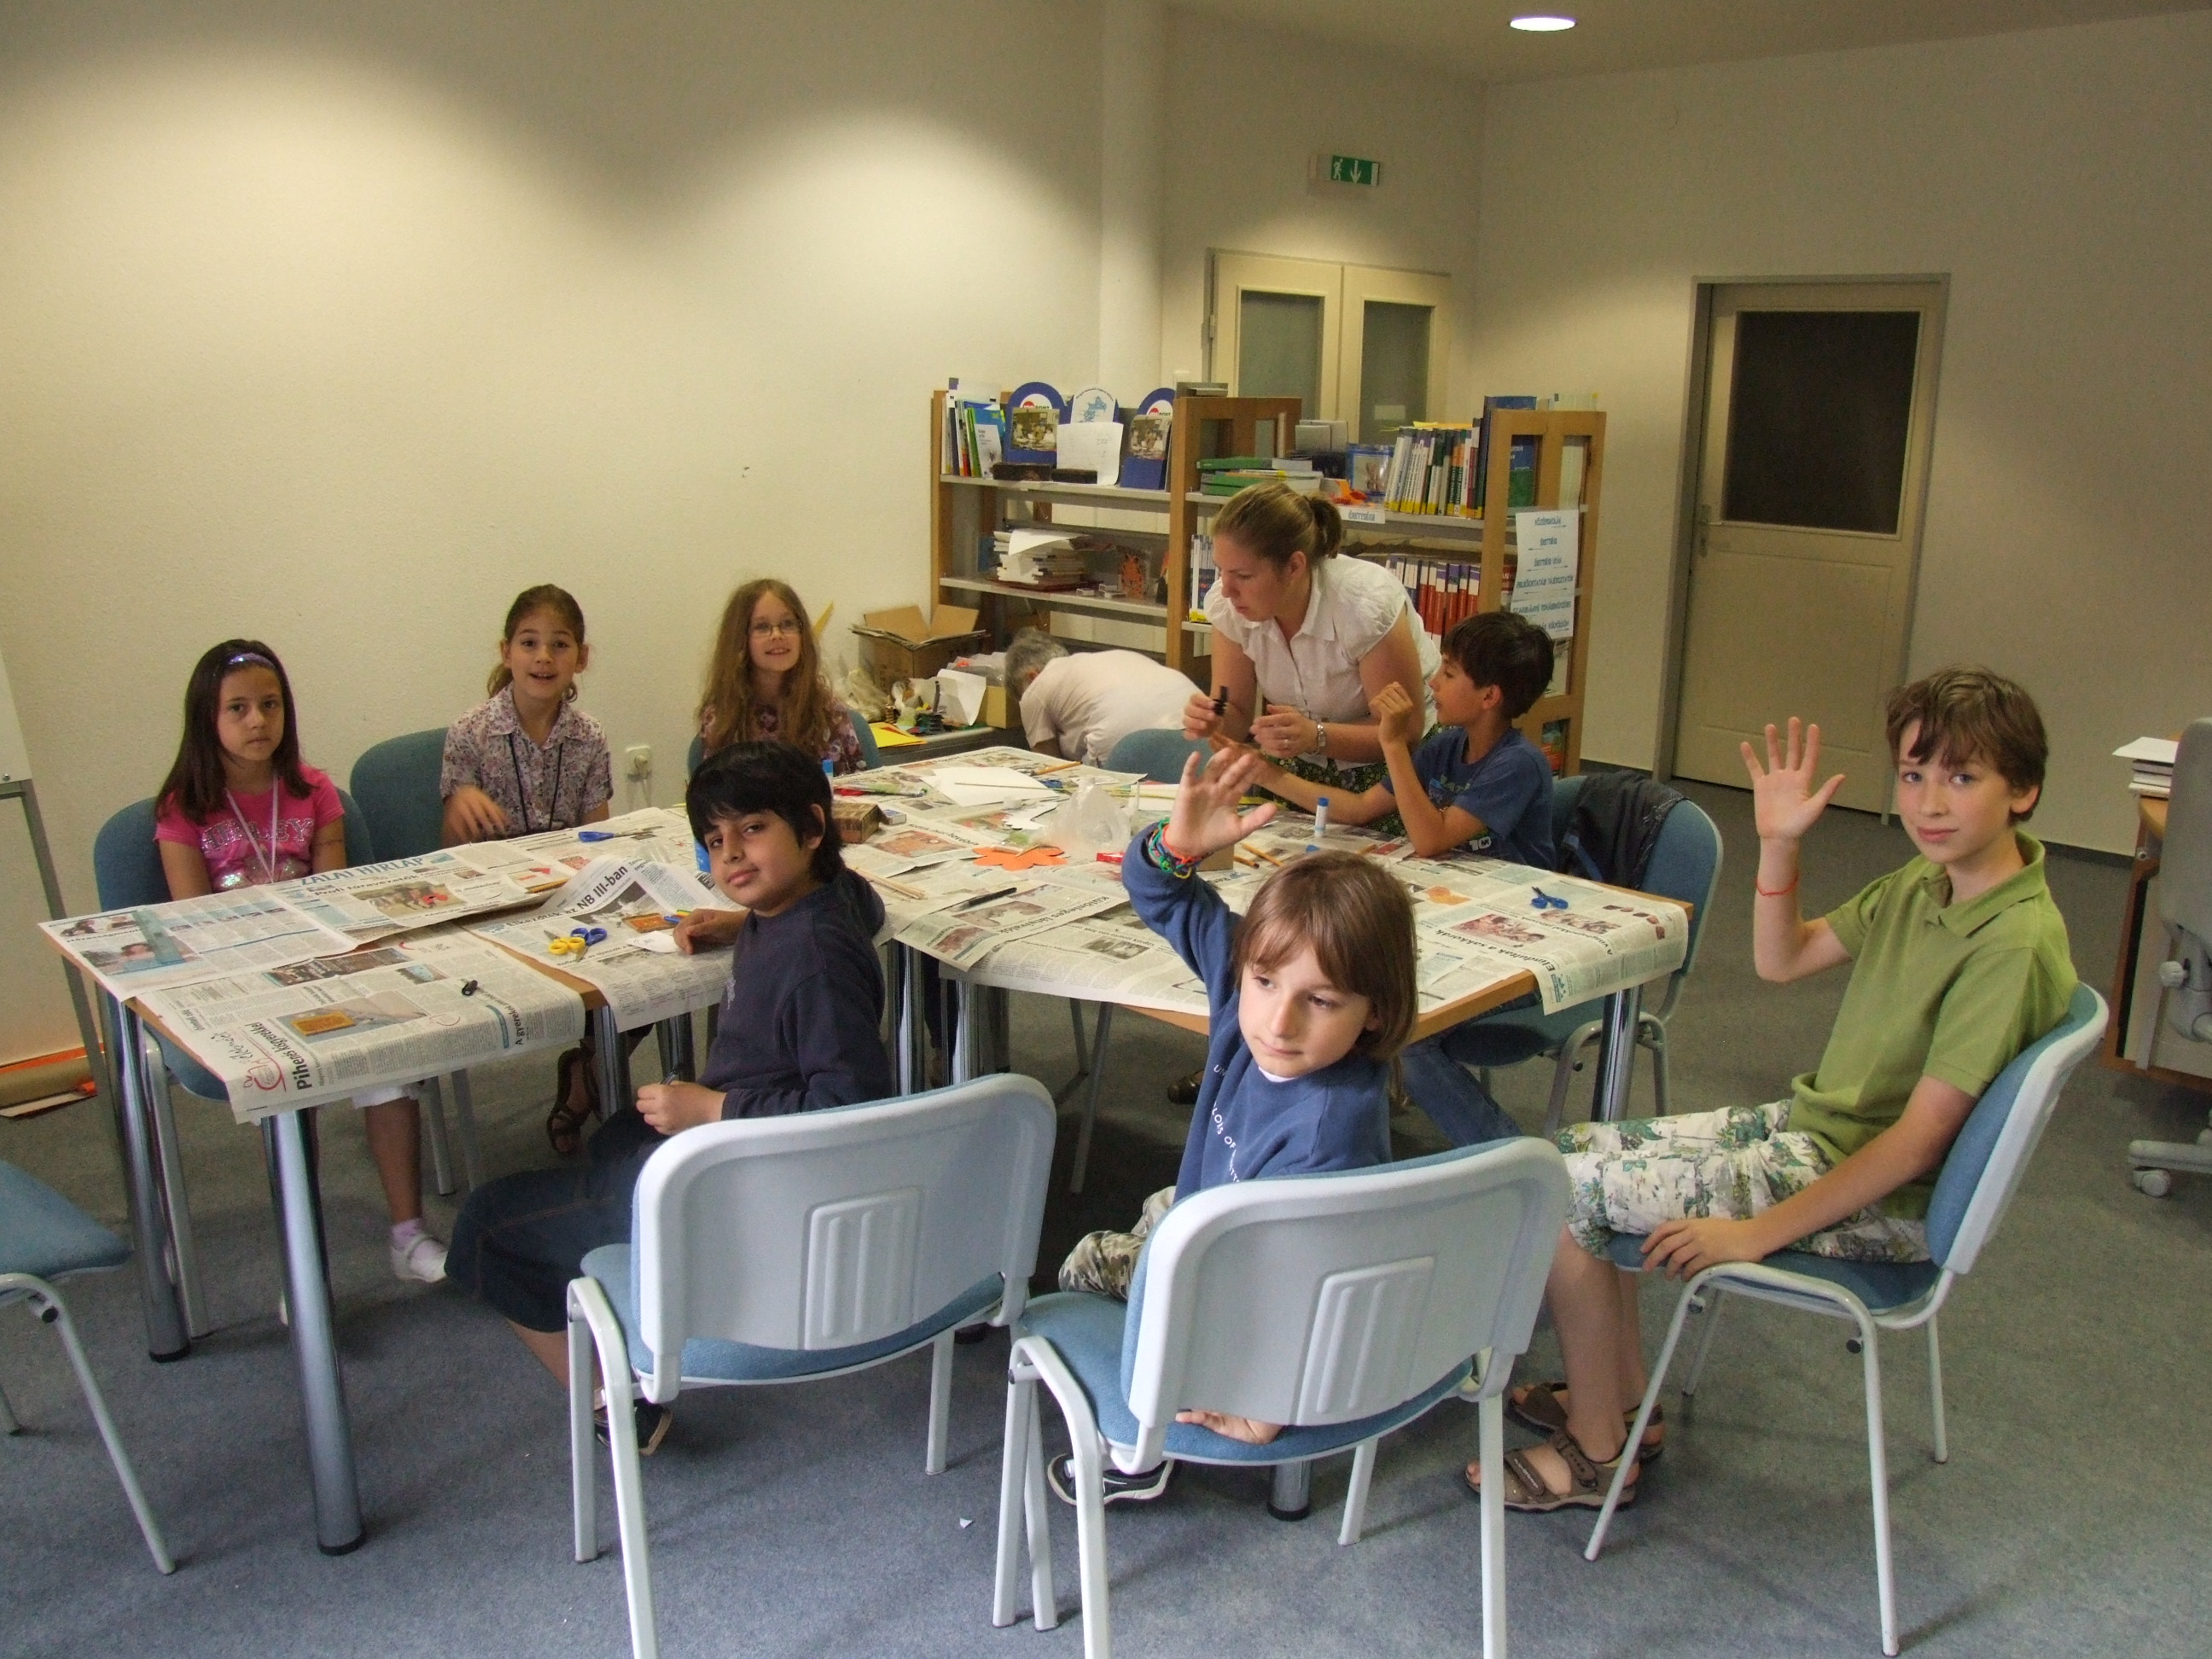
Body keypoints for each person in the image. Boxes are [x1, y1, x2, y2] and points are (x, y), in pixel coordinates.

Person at [1470, 669, 2075, 1513]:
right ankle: (1625, 1401)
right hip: (1821, 1133)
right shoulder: (1927, 881)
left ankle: (1601, 1450)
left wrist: (1756, 1234)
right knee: (1565, 1154)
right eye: (1914, 775)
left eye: (1962, 777)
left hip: (1882, 1194)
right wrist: (1781, 843)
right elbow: (1781, 960)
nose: (1931, 802)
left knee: (1563, 1192)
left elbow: (1920, 1141)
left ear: (2024, 791)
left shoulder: (2011, 944)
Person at [445, 742, 896, 1451]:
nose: (731, 855)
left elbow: (848, 1111)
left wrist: (709, 1110)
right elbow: (860, 903)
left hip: (743, 1187)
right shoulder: (821, 903)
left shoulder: (815, 961)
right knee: (617, 1136)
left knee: (485, 1225)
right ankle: (633, 1270)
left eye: (753, 829)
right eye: (715, 840)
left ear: (812, 829)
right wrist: (748, 921)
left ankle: (616, 1401)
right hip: (734, 1157)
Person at [1050, 748, 1417, 1501]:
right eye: (1266, 982)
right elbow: (1159, 889)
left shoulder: (1327, 1136)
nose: (1278, 1021)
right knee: (1159, 1212)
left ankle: (1138, 1455)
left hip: (1240, 1290)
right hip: (1217, 1220)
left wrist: (1267, 1402)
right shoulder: (1245, 990)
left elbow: (1311, 1284)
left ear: (1375, 1012)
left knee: (1083, 1263)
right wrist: (1176, 846)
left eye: (1321, 1001)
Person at [154, 640, 446, 1284]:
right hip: (237, 975)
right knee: (293, 1085)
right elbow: (192, 919)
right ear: (207, 718)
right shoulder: (184, 807)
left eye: (270, 705)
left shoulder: (313, 791)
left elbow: (330, 897)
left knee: (386, 1062)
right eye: (238, 709)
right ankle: (304, 1261)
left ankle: (407, 1234)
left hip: (318, 960)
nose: (258, 721)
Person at [1233, 610, 1557, 1149]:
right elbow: (1360, 808)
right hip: (1458, 912)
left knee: (1404, 1029)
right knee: (1351, 986)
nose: (1434, 682)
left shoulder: (1517, 763)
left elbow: (1430, 839)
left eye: (1449, 673)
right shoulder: (1447, 746)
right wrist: (1268, 773)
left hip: (1519, 934)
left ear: (1489, 696)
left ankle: (1507, 1153)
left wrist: (1393, 744)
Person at [1180, 480, 1435, 798]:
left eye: (1244, 576)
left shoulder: (1364, 604)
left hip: (1397, 773)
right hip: (1301, 769)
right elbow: (1236, 713)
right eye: (1222, 571)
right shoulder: (1230, 605)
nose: (1228, 590)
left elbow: (1404, 733)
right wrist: (1212, 721)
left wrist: (1315, 736)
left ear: (1294, 566)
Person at [440, 584, 614, 846]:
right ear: (507, 653)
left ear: (582, 657)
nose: (544, 657)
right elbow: (451, 852)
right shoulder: (469, 732)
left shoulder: (589, 736)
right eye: (529, 643)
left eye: (560, 645)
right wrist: (458, 811)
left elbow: (598, 837)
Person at [698, 579, 864, 773]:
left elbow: (857, 785)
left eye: (787, 624)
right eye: (762, 627)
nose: (777, 635)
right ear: (740, 639)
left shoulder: (829, 711)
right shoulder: (723, 720)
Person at [1003, 629, 1195, 768]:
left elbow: (1051, 767)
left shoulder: (1035, 689)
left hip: (1127, 740)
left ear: (1032, 676)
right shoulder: (1100, 661)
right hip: (1193, 722)